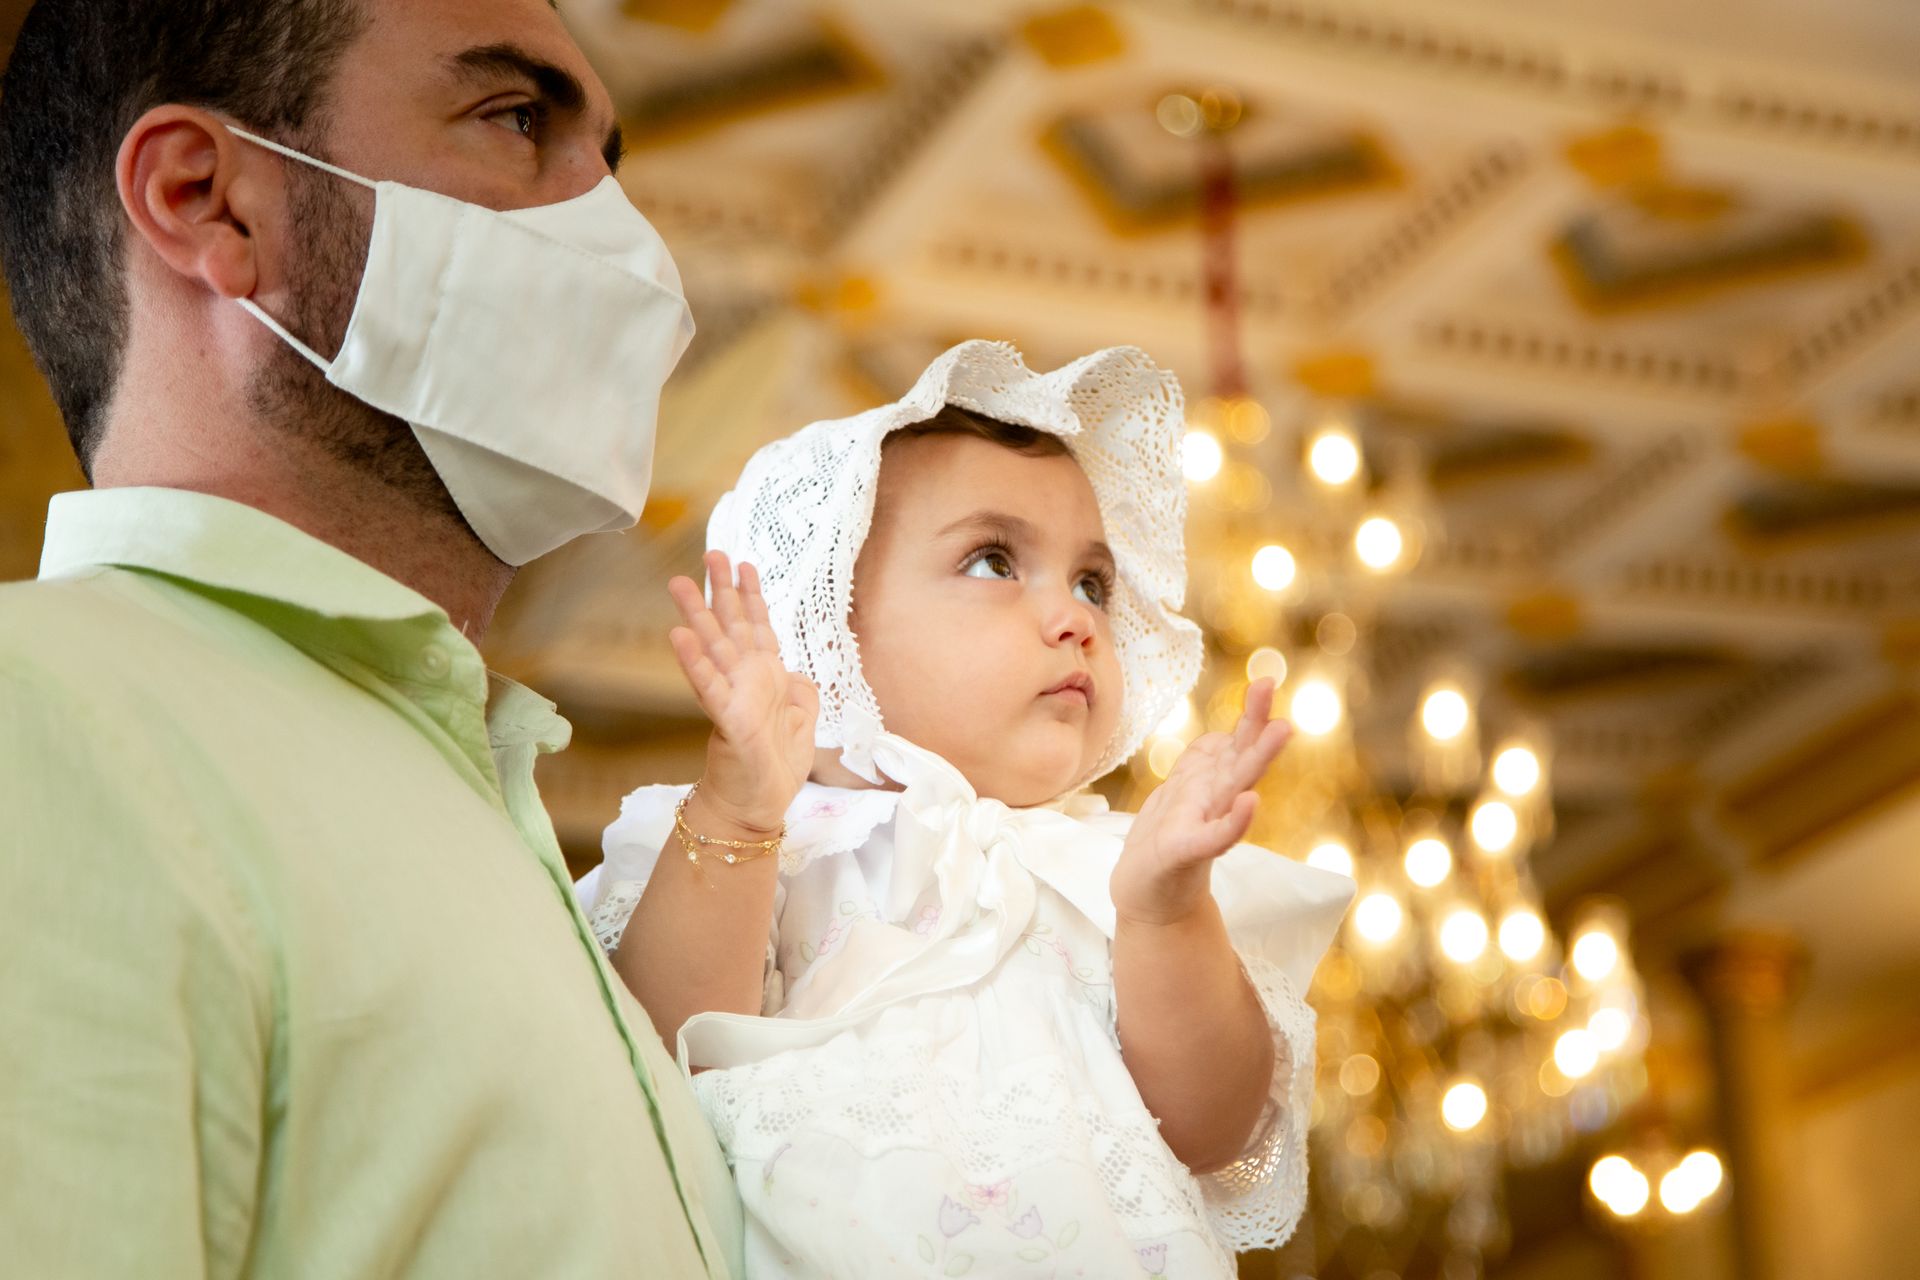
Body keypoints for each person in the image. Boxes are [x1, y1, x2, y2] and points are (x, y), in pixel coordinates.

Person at [0, 1, 741, 1275]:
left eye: (608, 163)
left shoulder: (487, 818)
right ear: (208, 200)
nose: (628, 243)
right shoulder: (39, 719)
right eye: (518, 120)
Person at [577, 341, 1356, 1276]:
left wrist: (1165, 913)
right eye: (994, 561)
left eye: (1092, 582)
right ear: (826, 627)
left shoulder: (1108, 868)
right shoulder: (780, 847)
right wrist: (738, 816)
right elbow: (659, 1056)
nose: (1076, 617)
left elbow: (1210, 1124)